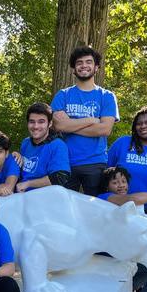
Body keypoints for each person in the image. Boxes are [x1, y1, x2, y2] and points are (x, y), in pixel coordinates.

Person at [50, 46, 119, 196]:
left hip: (95, 162)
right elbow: (58, 125)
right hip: (65, 162)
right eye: (79, 62)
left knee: (96, 210)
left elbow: (105, 130)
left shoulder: (106, 96)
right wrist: (92, 120)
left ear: (96, 67)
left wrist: (70, 125)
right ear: (73, 68)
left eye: (89, 62)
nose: (84, 65)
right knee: (65, 211)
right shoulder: (63, 95)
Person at [13, 102, 70, 192]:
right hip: (21, 196)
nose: (36, 126)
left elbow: (60, 177)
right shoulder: (26, 142)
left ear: (50, 123)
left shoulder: (58, 145)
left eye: (41, 122)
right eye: (32, 122)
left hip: (44, 198)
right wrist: (15, 156)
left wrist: (28, 184)